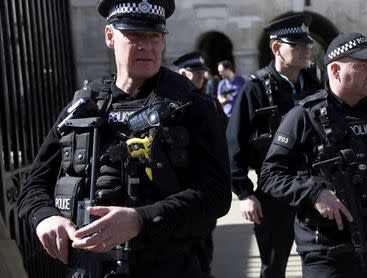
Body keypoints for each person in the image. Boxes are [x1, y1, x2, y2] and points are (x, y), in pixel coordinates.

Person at [17, 0, 231, 277]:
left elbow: (216, 195)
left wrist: (140, 220)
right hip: (92, 268)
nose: (146, 46)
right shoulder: (84, 105)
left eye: (154, 36)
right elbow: (33, 186)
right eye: (134, 35)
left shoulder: (191, 106)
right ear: (110, 36)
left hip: (171, 266)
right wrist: (45, 217)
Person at [260, 32, 367, 278]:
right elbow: (270, 176)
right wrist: (315, 193)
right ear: (335, 71)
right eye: (363, 65)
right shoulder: (304, 116)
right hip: (326, 251)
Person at [226, 14, 321, 278]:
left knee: (320, 260)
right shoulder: (254, 89)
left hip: (313, 187)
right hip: (274, 192)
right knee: (274, 265)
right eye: (297, 44)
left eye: (307, 44)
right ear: (277, 48)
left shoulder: (313, 84)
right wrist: (244, 193)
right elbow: (234, 143)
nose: (306, 49)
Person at [173, 51, 226, 277]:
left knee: (205, 240)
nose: (202, 77)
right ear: (182, 74)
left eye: (202, 73)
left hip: (206, 182)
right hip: (181, 183)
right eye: (196, 73)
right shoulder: (172, 103)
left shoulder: (210, 103)